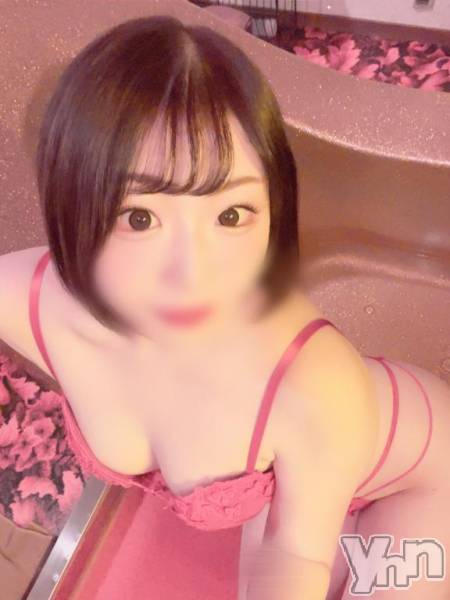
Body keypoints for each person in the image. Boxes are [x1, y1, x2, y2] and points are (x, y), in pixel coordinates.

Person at [1, 15, 450, 600]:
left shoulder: (313, 382)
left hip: (422, 479)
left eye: (232, 215)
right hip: (308, 476)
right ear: (72, 203)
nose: (195, 273)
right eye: (141, 217)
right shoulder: (31, 298)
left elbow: (294, 555)